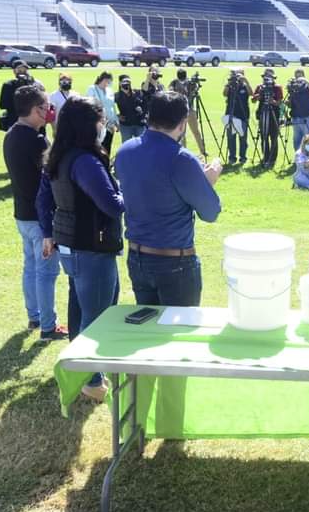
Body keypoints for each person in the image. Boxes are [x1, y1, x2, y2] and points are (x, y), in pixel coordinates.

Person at [45, 96, 124, 401]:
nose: (103, 126)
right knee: (98, 316)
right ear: (88, 125)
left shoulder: (62, 154)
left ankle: (81, 371)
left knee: (81, 312)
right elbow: (112, 205)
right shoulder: (85, 161)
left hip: (74, 244)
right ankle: (89, 380)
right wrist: (127, 190)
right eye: (100, 120)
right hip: (90, 246)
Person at [115, 92, 221, 310]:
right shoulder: (181, 158)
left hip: (138, 257)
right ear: (182, 125)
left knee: (150, 331)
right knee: (180, 336)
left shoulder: (125, 151)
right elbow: (210, 212)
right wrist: (207, 181)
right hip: (174, 262)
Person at [3, 85, 66, 341]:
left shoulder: (10, 134)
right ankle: (48, 326)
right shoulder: (36, 140)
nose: (49, 112)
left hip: (22, 214)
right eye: (46, 107)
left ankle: (35, 315)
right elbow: (53, 174)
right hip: (40, 218)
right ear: (35, 109)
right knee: (46, 272)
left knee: (31, 267)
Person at [167, 69, 205, 156]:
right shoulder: (174, 83)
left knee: (196, 131)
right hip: (179, 110)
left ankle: (202, 150)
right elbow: (170, 92)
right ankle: (183, 151)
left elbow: (195, 90)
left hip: (190, 109)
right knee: (181, 133)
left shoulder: (190, 83)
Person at [0, 61, 42, 130]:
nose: (22, 71)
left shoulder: (35, 83)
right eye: (19, 69)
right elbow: (2, 105)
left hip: (33, 120)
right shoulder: (8, 85)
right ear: (14, 71)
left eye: (24, 69)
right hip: (14, 122)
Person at [88, 71, 121, 155]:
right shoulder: (92, 89)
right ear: (102, 79)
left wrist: (116, 121)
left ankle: (106, 165)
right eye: (107, 81)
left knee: (107, 146)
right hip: (98, 124)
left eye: (110, 81)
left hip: (110, 124)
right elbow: (90, 105)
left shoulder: (110, 90)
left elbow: (112, 106)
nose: (108, 83)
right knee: (98, 146)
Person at [223, 68, 252, 165]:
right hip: (231, 114)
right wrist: (229, 82)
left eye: (239, 75)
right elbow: (224, 94)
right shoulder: (231, 86)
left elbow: (251, 93)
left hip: (243, 115)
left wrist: (246, 81)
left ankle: (243, 157)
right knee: (231, 137)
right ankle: (232, 157)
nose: (237, 78)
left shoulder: (244, 86)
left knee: (243, 137)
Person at [286, 69, 309, 152]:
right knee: (296, 139)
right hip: (295, 117)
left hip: (306, 117)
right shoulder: (294, 87)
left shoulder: (307, 86)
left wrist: (306, 81)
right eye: (297, 76)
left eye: (300, 76)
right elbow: (290, 103)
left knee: (308, 139)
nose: (298, 78)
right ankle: (298, 157)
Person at [115, 75, 146, 143]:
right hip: (126, 125)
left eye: (128, 82)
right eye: (124, 82)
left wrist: (142, 112)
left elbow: (146, 103)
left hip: (139, 124)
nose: (126, 84)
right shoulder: (117, 96)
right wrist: (116, 116)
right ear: (120, 83)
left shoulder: (137, 92)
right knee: (126, 145)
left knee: (141, 145)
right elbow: (108, 106)